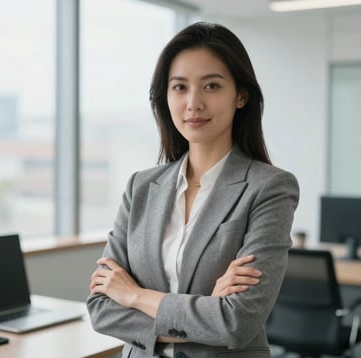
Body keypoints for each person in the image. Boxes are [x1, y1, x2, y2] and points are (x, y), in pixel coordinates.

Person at [87, 21, 299, 358]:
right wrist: (206, 311)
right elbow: (101, 307)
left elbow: (237, 322)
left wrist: (136, 296)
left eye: (212, 86)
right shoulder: (140, 187)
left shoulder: (270, 188)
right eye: (180, 87)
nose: (193, 103)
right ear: (165, 96)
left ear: (240, 95)